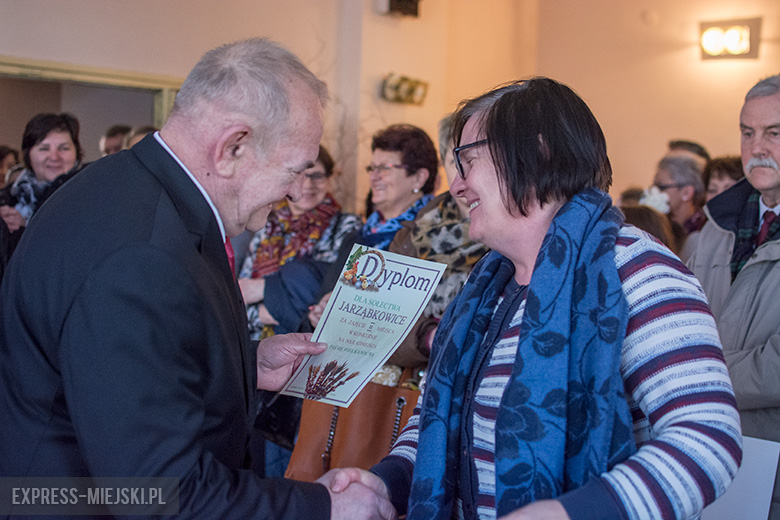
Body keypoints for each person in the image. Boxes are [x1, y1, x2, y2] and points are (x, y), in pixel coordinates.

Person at [0, 38, 394, 520]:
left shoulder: (131, 188)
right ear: (233, 146)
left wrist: (244, 365)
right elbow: (160, 492)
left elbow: (127, 372)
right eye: (293, 170)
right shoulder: (140, 256)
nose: (295, 192)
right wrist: (322, 507)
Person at [320, 77, 742, 520]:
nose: (457, 185)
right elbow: (436, 416)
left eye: (468, 160)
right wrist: (386, 482)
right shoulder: (488, 284)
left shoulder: (634, 268)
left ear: (536, 152)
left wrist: (568, 514)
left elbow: (707, 439)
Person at [687, 74, 780, 519]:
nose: (757, 147)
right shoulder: (715, 229)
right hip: (703, 450)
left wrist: (689, 369)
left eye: (775, 133)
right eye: (748, 133)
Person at [238, 144, 362, 476]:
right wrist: (272, 303)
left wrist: (263, 297)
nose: (307, 185)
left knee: (292, 463)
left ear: (330, 178)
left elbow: (324, 300)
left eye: (317, 175)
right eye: (299, 175)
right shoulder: (266, 223)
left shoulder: (346, 227)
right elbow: (237, 293)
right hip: (254, 352)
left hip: (306, 356)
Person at [0, 113, 84, 263]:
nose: (54, 157)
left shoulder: (89, 197)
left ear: (76, 152)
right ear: (28, 153)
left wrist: (27, 229)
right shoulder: (7, 197)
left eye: (64, 148)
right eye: (44, 148)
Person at [653, 154, 706, 260]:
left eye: (661, 187)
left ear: (686, 192)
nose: (654, 193)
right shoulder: (659, 227)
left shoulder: (702, 232)